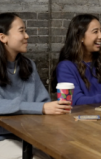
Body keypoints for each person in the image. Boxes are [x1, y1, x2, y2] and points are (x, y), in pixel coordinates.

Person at [0, 13, 71, 159]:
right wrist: (41, 108)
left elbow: (43, 102)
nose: (27, 36)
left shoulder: (28, 65)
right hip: (3, 138)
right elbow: (40, 107)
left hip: (31, 136)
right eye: (21, 31)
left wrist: (51, 109)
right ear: (3, 37)